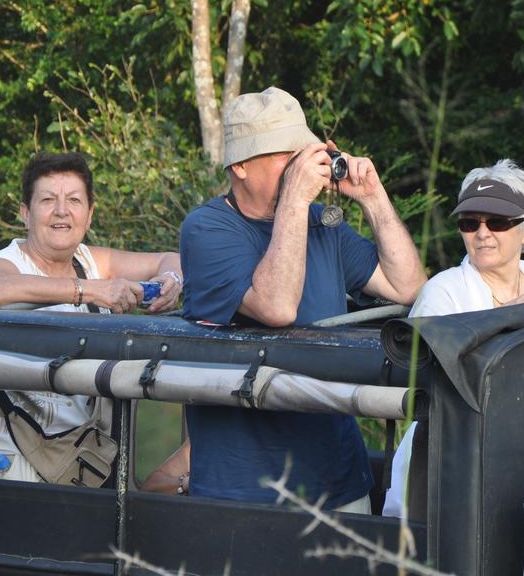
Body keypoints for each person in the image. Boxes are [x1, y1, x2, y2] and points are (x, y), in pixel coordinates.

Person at [164, 86, 426, 512]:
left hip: (340, 482)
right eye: (289, 156)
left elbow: (408, 288)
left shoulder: (322, 223)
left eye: (307, 153)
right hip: (247, 494)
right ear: (241, 166)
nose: (304, 166)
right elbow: (276, 307)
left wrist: (374, 199)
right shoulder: (206, 229)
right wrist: (295, 198)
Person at [0, 151, 182, 482]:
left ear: (89, 215)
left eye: (74, 199)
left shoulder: (88, 260)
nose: (61, 211)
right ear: (25, 214)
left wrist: (171, 282)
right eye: (47, 200)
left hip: (65, 458)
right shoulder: (6, 261)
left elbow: (170, 259)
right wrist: (94, 291)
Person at [382, 159, 524, 518]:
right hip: (452, 456)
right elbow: (431, 380)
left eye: (497, 222)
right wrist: (514, 313)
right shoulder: (442, 291)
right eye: (470, 222)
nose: (482, 233)